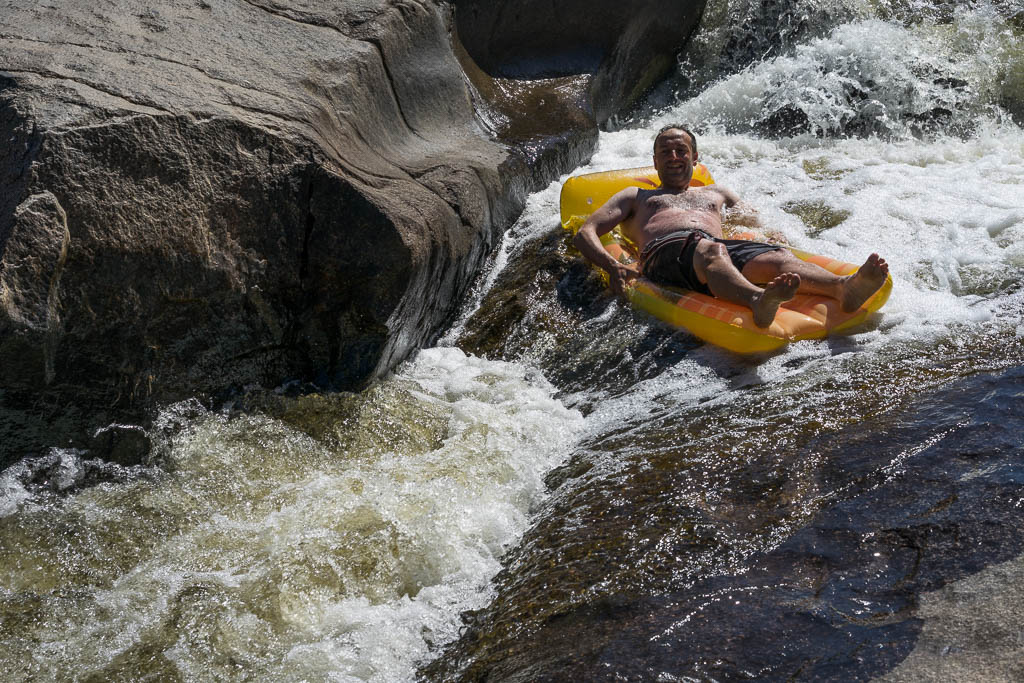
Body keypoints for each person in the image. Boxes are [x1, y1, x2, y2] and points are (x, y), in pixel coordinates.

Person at [572, 125, 889, 328]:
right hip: (665, 254)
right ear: (654, 162)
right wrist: (612, 265)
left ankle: (843, 288)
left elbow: (752, 219)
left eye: (681, 151)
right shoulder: (637, 196)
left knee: (778, 256)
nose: (673, 156)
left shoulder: (717, 192)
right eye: (665, 152)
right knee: (711, 250)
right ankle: (757, 300)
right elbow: (586, 233)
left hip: (713, 249)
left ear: (695, 158)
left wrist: (770, 235)